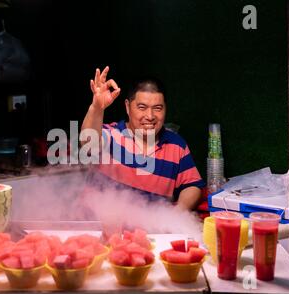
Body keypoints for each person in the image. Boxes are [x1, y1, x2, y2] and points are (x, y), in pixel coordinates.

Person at [81, 66, 205, 212]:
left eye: (157, 108)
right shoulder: (112, 135)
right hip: (102, 229)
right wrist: (97, 107)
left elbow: (192, 186)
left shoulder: (177, 145)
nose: (150, 116)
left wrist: (175, 214)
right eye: (142, 107)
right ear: (128, 107)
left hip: (152, 232)